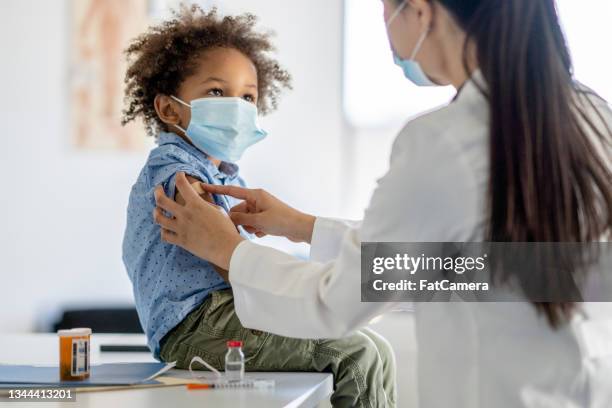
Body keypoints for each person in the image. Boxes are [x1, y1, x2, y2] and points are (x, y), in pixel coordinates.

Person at [153, 0, 612, 407]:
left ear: (419, 11)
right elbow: (482, 269)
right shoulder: (594, 116)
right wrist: (305, 226)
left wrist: (228, 251)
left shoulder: (444, 141)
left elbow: (333, 302)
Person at [121, 6, 396, 407]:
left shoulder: (227, 175)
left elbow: (234, 254)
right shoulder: (175, 168)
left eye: (248, 97)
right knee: (357, 354)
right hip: (198, 325)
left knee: (374, 346)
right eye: (216, 92)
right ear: (169, 109)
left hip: (226, 314)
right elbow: (219, 248)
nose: (237, 107)